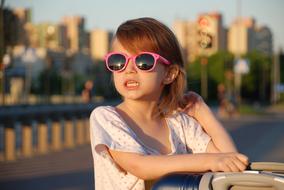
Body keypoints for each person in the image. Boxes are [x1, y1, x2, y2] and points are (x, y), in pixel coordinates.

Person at [90, 17, 248, 190]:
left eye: (144, 62)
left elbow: (229, 161)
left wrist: (203, 113)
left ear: (169, 73)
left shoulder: (180, 124)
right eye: (118, 61)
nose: (129, 69)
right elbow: (141, 166)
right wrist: (208, 160)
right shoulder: (107, 117)